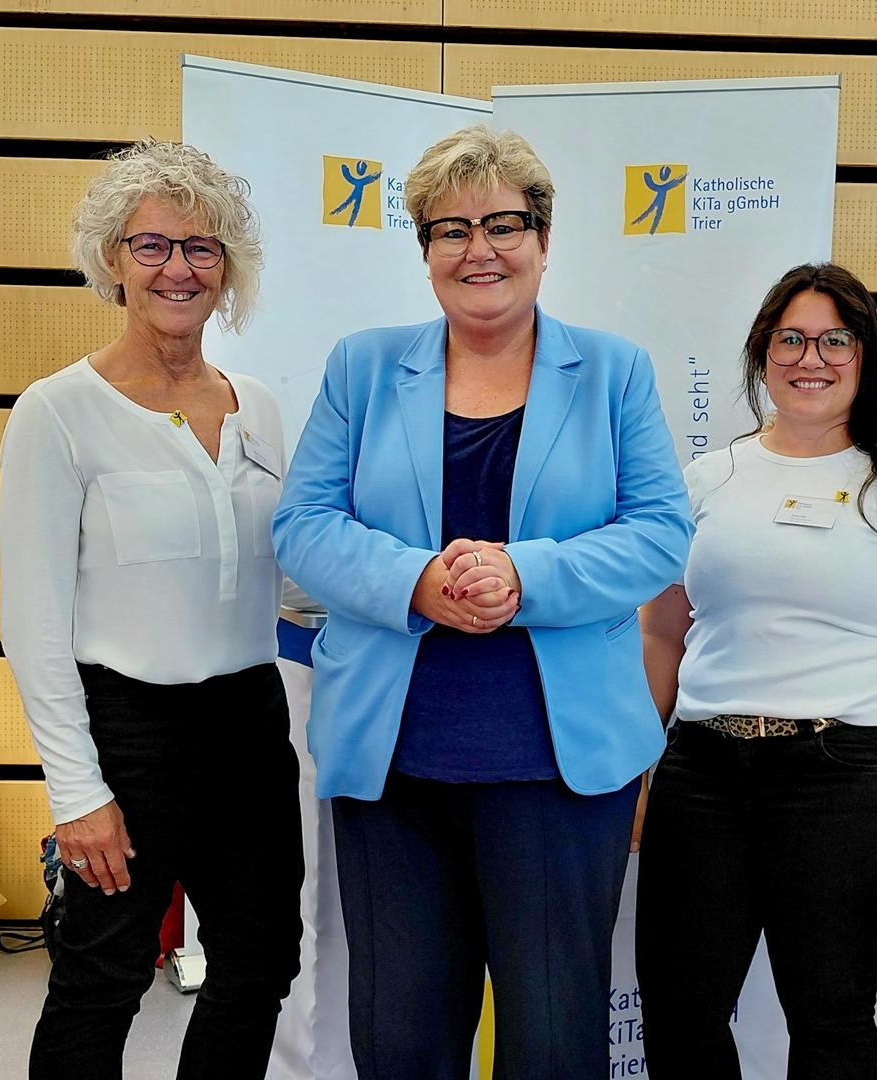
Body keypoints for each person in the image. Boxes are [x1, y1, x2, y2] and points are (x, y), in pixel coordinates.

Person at [271, 124, 691, 1079]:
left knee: (551, 1043)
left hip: (559, 766)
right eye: (449, 229)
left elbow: (662, 533)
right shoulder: (364, 367)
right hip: (395, 763)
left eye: (504, 224)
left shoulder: (614, 370)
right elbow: (303, 527)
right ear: (423, 252)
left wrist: (525, 577)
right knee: (402, 1042)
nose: (479, 250)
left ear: (544, 240)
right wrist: (415, 582)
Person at [0, 140, 301, 1079]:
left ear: (229, 267)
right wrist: (77, 793)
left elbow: (289, 577)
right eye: (152, 246)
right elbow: (36, 625)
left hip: (249, 722)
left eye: (201, 248)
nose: (179, 269)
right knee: (104, 974)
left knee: (259, 964)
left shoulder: (258, 405)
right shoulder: (57, 412)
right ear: (112, 261)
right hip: (126, 729)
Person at [634, 262, 877, 1078]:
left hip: (844, 779)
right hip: (702, 772)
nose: (810, 357)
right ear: (762, 352)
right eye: (790, 338)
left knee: (829, 1019)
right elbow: (661, 641)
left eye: (834, 340)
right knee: (680, 1010)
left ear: (864, 358)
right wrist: (642, 774)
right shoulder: (707, 480)